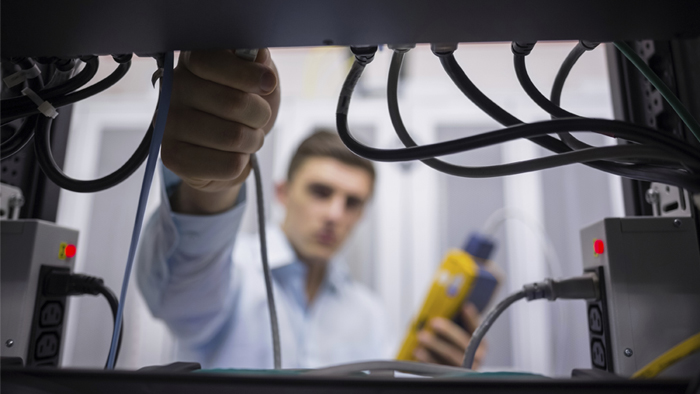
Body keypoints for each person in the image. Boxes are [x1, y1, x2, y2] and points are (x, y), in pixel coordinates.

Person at [136, 49, 485, 369]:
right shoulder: (233, 272)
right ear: (283, 193)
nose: (336, 214)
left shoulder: (368, 313)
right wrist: (212, 184)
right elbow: (181, 297)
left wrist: (443, 373)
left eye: (352, 203)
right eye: (321, 192)